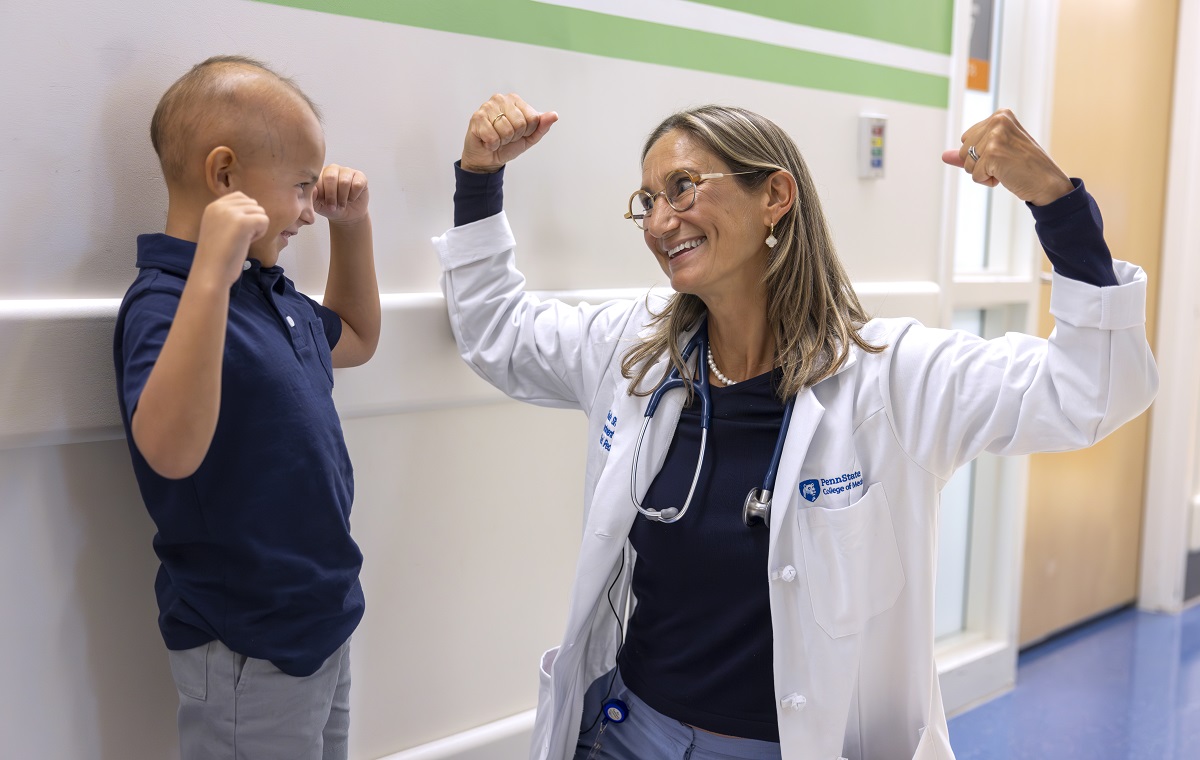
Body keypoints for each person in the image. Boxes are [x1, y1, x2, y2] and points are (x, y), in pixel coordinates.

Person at [433, 94, 1157, 760]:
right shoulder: (636, 351)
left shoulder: (892, 378)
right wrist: (479, 175)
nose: (659, 222)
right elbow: (497, 332)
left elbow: (1092, 390)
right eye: (648, 201)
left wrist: (1054, 203)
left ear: (774, 195)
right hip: (628, 732)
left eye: (683, 188)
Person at [112, 55, 380, 760]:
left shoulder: (271, 294)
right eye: (299, 188)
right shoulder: (165, 301)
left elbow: (354, 337)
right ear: (225, 177)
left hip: (321, 621)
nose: (305, 210)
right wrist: (210, 268)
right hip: (246, 647)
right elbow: (170, 451)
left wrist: (352, 228)